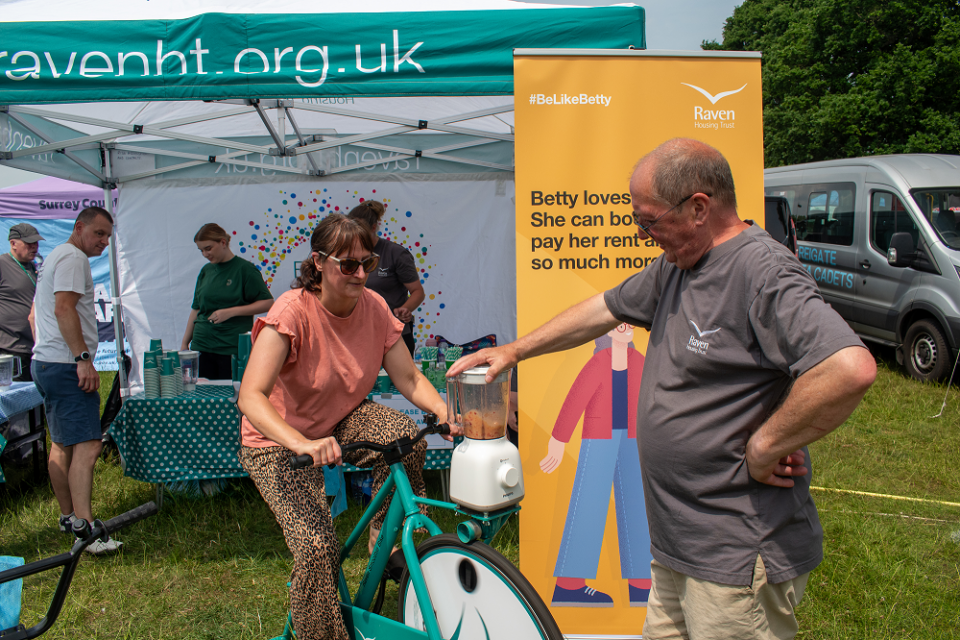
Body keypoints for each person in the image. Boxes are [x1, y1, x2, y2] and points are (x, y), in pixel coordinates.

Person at [449, 138, 877, 639]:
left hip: (734, 552)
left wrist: (767, 445)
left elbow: (849, 367)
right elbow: (605, 308)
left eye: (650, 221)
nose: (644, 234)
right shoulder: (678, 265)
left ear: (699, 207)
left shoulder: (762, 271)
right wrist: (516, 351)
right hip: (677, 545)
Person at [236, 213, 456, 640]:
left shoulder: (373, 307)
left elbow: (408, 378)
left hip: (339, 419)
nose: (360, 274)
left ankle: (389, 542)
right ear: (319, 262)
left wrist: (441, 409)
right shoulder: (292, 310)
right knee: (317, 549)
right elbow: (251, 397)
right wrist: (302, 442)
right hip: (277, 439)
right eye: (348, 265)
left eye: (368, 264)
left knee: (405, 439)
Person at [30, 206, 123, 555]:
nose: (103, 242)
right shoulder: (72, 258)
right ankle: (86, 532)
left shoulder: (56, 256)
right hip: (65, 366)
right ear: (79, 227)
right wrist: (83, 359)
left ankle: (69, 517)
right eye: (99, 234)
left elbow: (37, 312)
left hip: (48, 361)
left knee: (62, 445)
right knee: (88, 446)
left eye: (108, 237)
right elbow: (63, 309)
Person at [545, 324, 651, 608]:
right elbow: (574, 402)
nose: (625, 327)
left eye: (628, 322)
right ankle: (569, 585)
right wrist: (558, 440)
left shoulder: (640, 362)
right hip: (598, 438)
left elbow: (653, 401)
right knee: (588, 505)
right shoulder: (597, 363)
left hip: (632, 438)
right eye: (618, 323)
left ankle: (643, 585)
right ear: (605, 332)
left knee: (637, 507)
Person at [180, 223, 274, 379]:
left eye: (208, 248)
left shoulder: (245, 270)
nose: (204, 254)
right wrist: (185, 344)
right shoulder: (206, 271)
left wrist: (231, 312)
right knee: (202, 398)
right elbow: (196, 309)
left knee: (230, 397)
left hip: (231, 349)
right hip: (201, 347)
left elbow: (268, 303)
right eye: (201, 250)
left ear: (223, 242)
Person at [347, 200, 425, 356]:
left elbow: (417, 292)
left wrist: (405, 309)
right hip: (357, 334)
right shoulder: (346, 254)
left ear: (374, 228)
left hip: (394, 335)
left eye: (360, 230)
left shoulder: (395, 253)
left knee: (398, 380)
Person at [1, 222, 44, 381]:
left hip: (33, 348)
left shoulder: (34, 267)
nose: (34, 247)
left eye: (36, 243)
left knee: (36, 403)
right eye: (29, 243)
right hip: (9, 349)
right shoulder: (2, 264)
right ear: (13, 243)